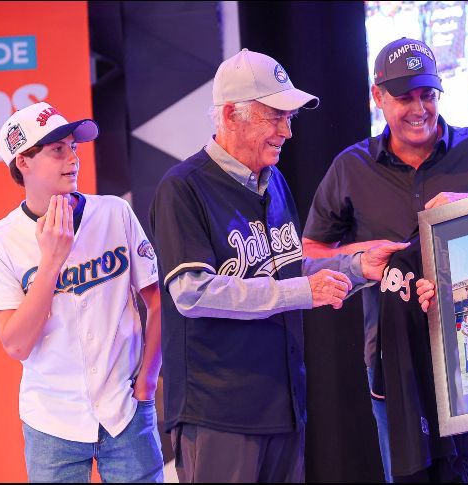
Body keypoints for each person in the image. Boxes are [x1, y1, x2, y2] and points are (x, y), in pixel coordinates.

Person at [148, 48, 405, 483]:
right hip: (219, 413)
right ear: (231, 115)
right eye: (275, 117)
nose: (287, 131)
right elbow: (192, 292)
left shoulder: (275, 180)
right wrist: (304, 294)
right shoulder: (183, 188)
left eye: (290, 119)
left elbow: (285, 268)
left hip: (283, 405)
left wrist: (358, 267)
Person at [302, 37, 468, 482]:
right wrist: (362, 256)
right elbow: (309, 255)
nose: (419, 109)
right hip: (395, 365)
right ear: (377, 97)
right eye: (404, 97)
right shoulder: (350, 168)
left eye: (427, 95)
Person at [0, 102, 164, 482]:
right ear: (23, 162)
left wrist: (147, 381)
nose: (72, 157)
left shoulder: (114, 213)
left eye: (73, 146)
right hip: (51, 422)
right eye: (57, 149)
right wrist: (51, 263)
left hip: (125, 411)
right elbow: (16, 346)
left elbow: (157, 301)